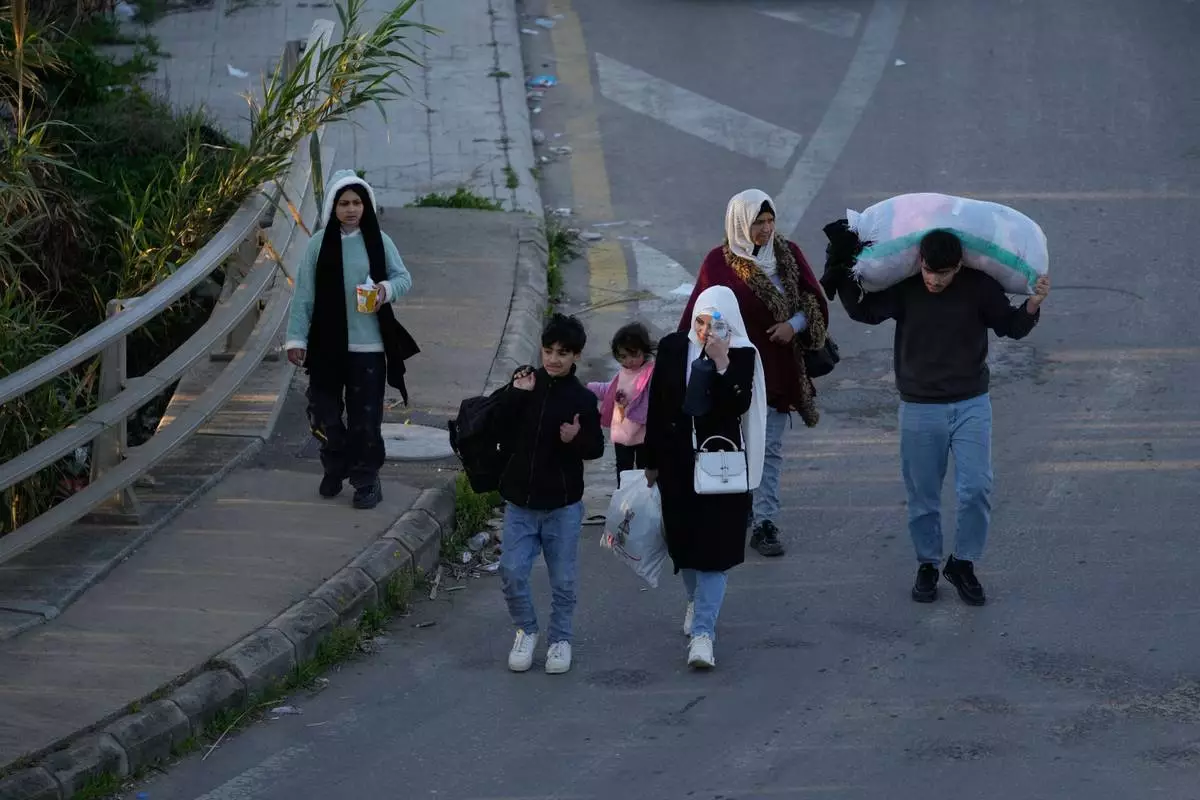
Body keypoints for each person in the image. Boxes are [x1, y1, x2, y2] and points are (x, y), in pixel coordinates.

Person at [828, 228, 1051, 606]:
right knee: (923, 495)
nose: (934, 279)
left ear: (959, 266)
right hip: (919, 407)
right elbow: (865, 311)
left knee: (976, 488)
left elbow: (1010, 327)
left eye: (943, 273)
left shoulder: (980, 287)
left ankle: (963, 562)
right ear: (920, 263)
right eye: (929, 271)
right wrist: (842, 270)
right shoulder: (907, 287)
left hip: (971, 403)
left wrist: (1033, 304)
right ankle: (928, 563)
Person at [680, 189, 830, 558]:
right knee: (736, 442)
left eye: (769, 220)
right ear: (739, 224)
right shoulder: (718, 263)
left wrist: (794, 325)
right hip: (730, 373)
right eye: (757, 222)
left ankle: (765, 522)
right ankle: (738, 505)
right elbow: (697, 314)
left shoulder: (787, 254)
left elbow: (812, 300)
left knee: (769, 448)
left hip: (777, 371)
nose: (765, 229)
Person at [645, 286, 767, 669]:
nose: (705, 332)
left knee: (714, 552)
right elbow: (657, 406)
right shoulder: (672, 347)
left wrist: (722, 361)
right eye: (700, 322)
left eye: (715, 324)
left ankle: (703, 634)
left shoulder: (742, 354)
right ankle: (696, 602)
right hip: (678, 466)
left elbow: (738, 403)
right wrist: (650, 462)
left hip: (721, 468)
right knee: (684, 546)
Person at [285, 170, 415, 510]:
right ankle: (335, 464)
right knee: (323, 414)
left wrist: (384, 290)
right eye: (344, 203)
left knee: (365, 421)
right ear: (333, 207)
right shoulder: (318, 245)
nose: (351, 209)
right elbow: (304, 295)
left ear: (366, 205)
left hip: (369, 348)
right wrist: (296, 339)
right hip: (326, 347)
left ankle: (366, 479)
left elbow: (403, 278)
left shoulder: (379, 241)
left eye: (357, 202)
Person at [493, 313, 605, 675]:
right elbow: (498, 426)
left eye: (563, 353)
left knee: (564, 580)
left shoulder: (582, 399)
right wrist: (515, 394)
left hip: (562, 507)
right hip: (521, 503)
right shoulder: (525, 383)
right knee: (511, 572)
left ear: (576, 355)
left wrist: (576, 439)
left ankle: (560, 639)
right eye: (548, 351)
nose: (553, 359)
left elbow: (596, 447)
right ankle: (526, 630)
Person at [586, 321, 656, 486]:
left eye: (634, 355)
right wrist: (589, 388)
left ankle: (643, 497)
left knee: (643, 471)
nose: (629, 361)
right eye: (623, 357)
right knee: (623, 471)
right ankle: (623, 496)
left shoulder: (650, 372)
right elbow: (610, 390)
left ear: (644, 350)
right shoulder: (624, 372)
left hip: (643, 433)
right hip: (622, 432)